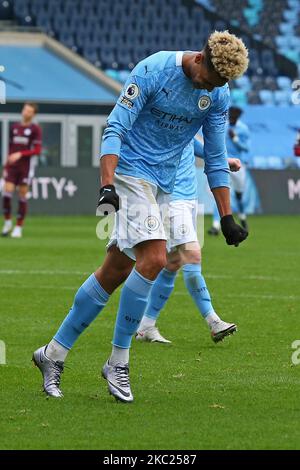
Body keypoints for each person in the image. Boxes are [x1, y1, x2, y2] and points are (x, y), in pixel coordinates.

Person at [33, 31, 249, 403]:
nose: (213, 89)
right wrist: (106, 186)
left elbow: (215, 155)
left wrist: (227, 215)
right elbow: (115, 127)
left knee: (114, 271)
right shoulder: (153, 70)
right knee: (155, 258)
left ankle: (52, 354)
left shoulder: (218, 92)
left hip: (166, 181)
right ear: (200, 59)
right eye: (211, 81)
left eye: (220, 85)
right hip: (130, 172)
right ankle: (118, 362)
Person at [136, 137, 241, 344]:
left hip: (189, 197)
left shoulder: (185, 117)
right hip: (173, 198)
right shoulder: (166, 117)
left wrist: (222, 160)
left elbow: (192, 142)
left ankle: (146, 326)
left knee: (173, 263)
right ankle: (213, 321)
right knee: (192, 255)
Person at [1, 102, 42, 238]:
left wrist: (21, 154)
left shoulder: (35, 129)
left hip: (26, 167)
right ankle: (7, 222)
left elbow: (37, 150)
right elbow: (11, 148)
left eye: (29, 111)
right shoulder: (14, 127)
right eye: (25, 110)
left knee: (22, 195)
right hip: (12, 167)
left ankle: (18, 227)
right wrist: (6, 164)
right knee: (6, 194)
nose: (26, 112)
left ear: (33, 114)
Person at [208, 106, 250, 235]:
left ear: (237, 117)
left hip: (238, 165)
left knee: (239, 195)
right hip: (224, 164)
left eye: (233, 117)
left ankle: (242, 215)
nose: (230, 119)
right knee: (220, 193)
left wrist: (236, 139)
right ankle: (216, 226)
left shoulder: (243, 129)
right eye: (229, 116)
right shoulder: (223, 127)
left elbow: (246, 148)